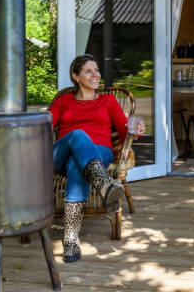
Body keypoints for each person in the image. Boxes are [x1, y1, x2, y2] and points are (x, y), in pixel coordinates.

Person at [49, 54, 142, 262]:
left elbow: (125, 129)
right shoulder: (63, 101)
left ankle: (71, 238)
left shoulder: (108, 101)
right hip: (61, 154)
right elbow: (44, 125)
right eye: (88, 71)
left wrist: (137, 130)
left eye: (97, 70)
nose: (95, 75)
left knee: (77, 165)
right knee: (78, 135)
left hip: (100, 153)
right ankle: (103, 184)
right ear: (76, 76)